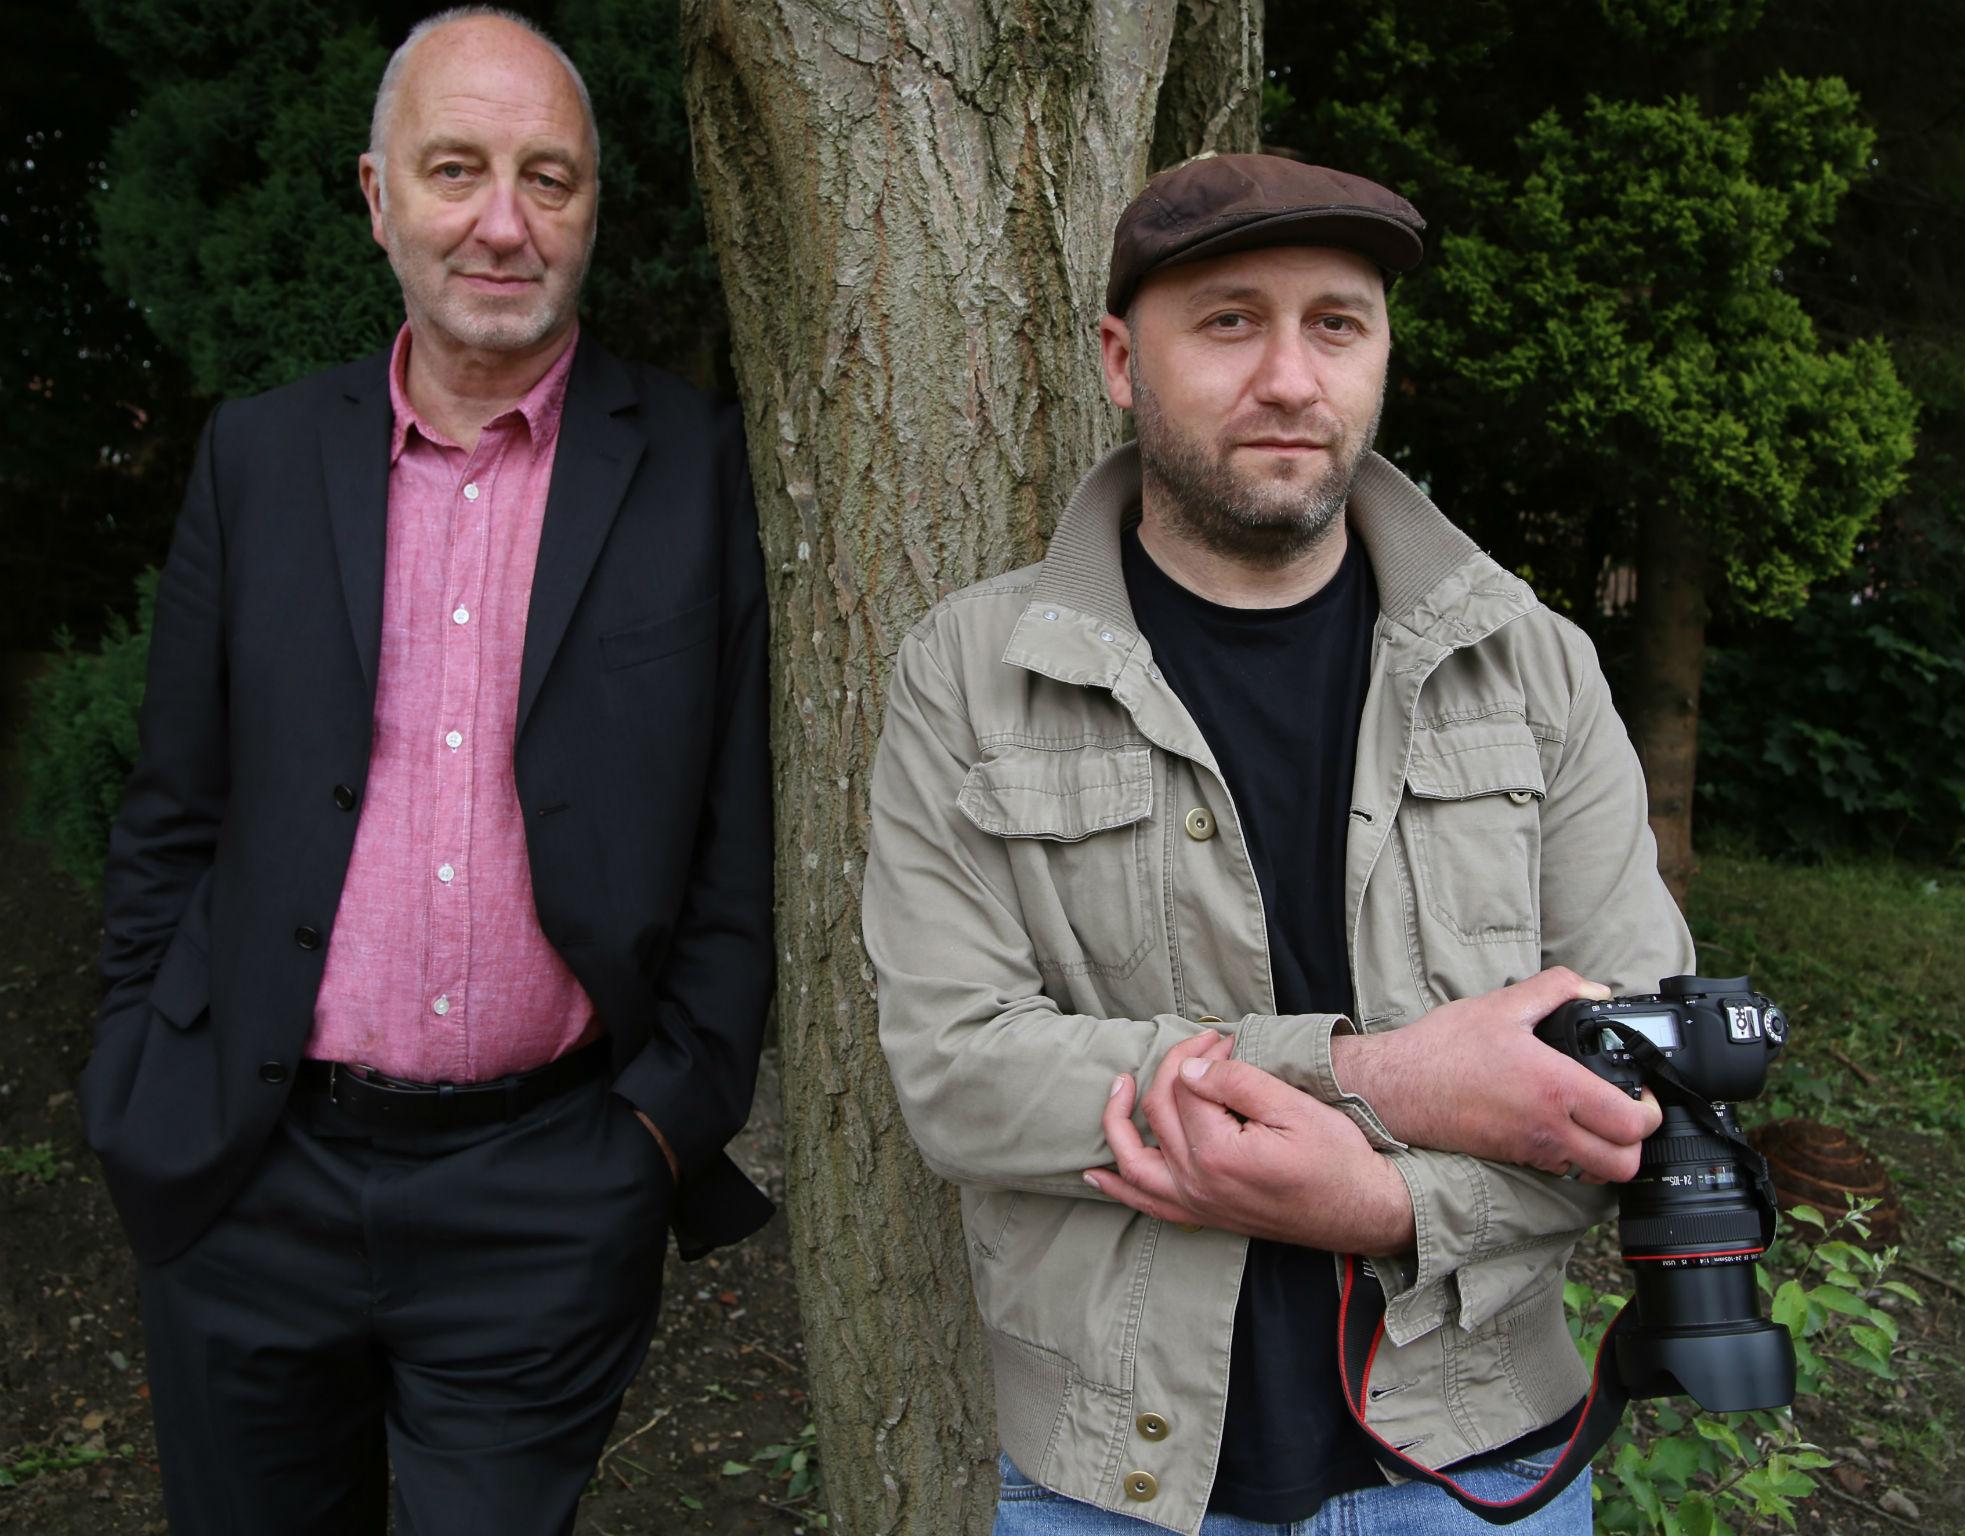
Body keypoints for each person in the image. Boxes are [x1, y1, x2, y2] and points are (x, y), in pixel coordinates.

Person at [862, 153, 1693, 1534]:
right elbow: (956, 1072)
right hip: (1114, 1481)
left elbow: (1634, 1075)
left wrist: (1378, 1205)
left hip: (1485, 1468)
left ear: (1381, 357)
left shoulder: (1533, 666)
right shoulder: (969, 671)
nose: (1293, 378)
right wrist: (1377, 1075)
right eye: (1232, 320)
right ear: (1125, 361)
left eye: (1337, 324)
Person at [76, 9, 774, 1532]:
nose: (504, 223)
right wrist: (141, 1067)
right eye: (456, 169)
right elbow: (173, 811)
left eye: (551, 178)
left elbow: (738, 840)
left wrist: (661, 1127)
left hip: (548, 1186)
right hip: (246, 1168)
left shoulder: (701, 473)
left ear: (596, 205)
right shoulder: (256, 459)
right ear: (378, 196)